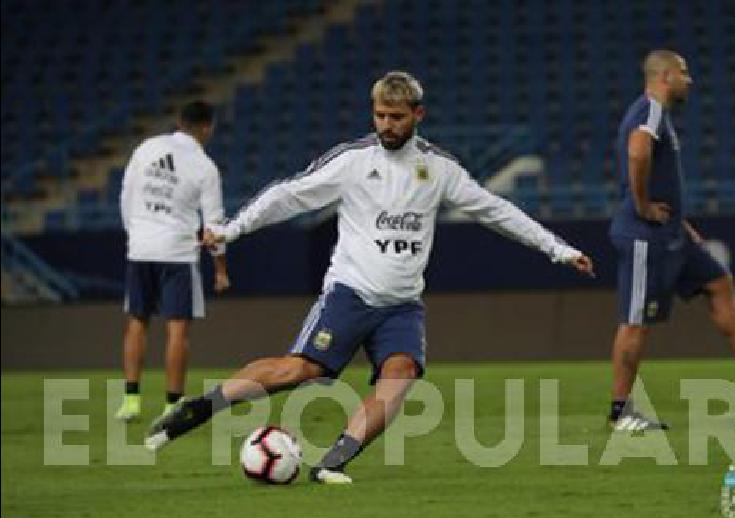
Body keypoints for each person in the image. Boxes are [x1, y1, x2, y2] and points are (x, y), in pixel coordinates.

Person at [145, 72, 594, 484]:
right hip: (350, 293)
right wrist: (232, 229)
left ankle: (332, 463)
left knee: (399, 376)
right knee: (298, 371)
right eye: (380, 115)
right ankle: (197, 409)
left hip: (402, 304)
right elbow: (288, 195)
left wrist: (558, 249)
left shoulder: (439, 169)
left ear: (418, 115)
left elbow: (497, 211)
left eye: (396, 117)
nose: (387, 125)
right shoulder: (353, 161)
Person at [607, 50, 735, 431]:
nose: (689, 80)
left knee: (718, 282)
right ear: (664, 76)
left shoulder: (656, 114)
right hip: (646, 237)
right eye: (684, 72)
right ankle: (620, 411)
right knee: (635, 322)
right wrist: (643, 206)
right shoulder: (650, 110)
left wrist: (681, 222)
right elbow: (637, 151)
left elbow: (652, 165)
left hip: (672, 231)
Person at [114, 100, 230, 424]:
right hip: (177, 253)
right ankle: (172, 405)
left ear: (179, 121)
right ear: (208, 127)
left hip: (140, 248)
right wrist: (220, 269)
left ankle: (131, 400)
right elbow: (214, 226)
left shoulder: (146, 148)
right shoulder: (205, 168)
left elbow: (126, 195)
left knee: (136, 321)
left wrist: (135, 234)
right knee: (177, 330)